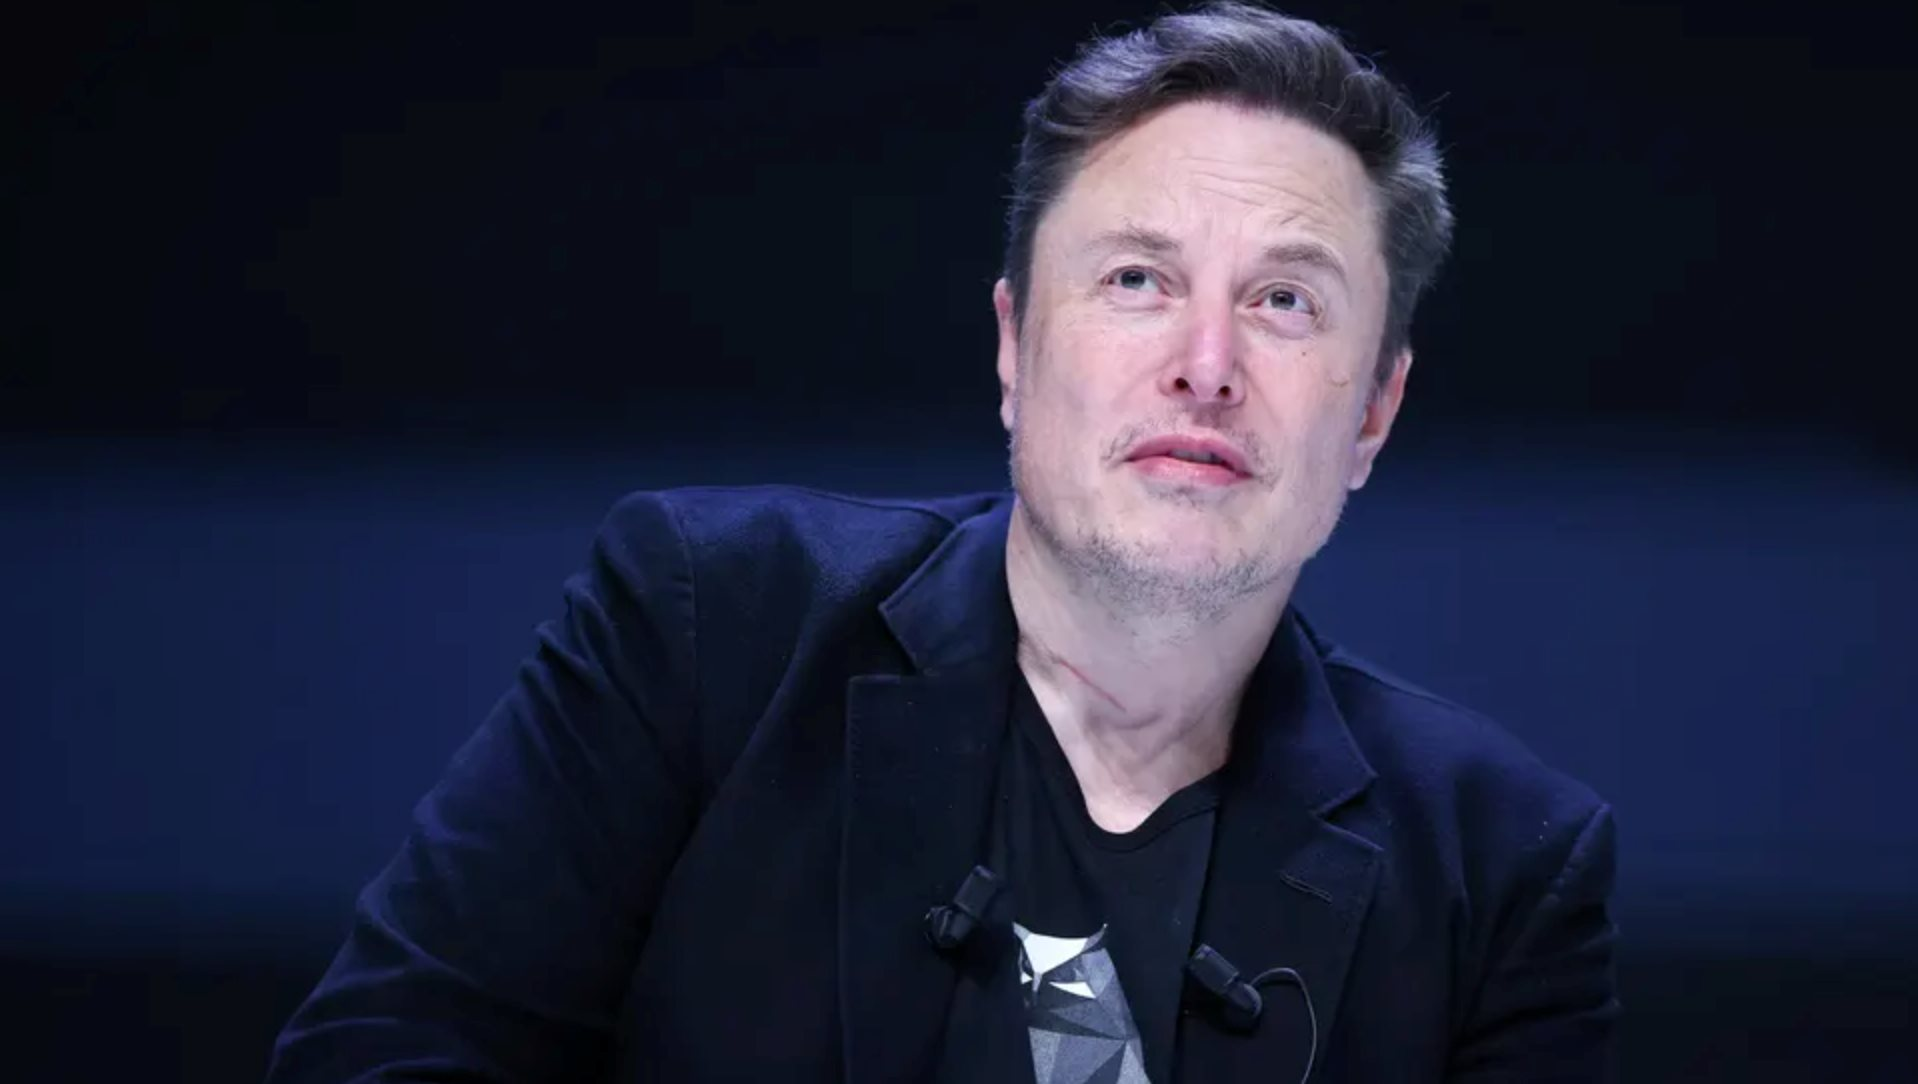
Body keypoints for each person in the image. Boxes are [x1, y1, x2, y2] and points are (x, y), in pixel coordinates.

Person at [265, 3, 1617, 1081]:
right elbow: (383, 1056)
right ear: (1014, 347)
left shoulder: (1501, 868)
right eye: (1136, 278)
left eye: (1284, 302)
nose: (1206, 363)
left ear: (1373, 411)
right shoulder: (708, 628)